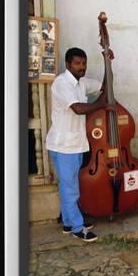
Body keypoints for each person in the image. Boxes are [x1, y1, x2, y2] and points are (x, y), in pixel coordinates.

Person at [45, 47, 109, 242]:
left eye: (84, 63)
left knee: (68, 185)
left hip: (76, 144)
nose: (82, 67)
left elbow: (106, 85)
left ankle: (68, 222)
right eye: (77, 63)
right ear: (68, 64)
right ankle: (78, 227)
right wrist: (102, 104)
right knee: (70, 188)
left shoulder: (81, 82)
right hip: (64, 146)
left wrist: (108, 62)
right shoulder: (62, 83)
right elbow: (79, 109)